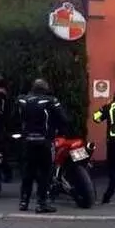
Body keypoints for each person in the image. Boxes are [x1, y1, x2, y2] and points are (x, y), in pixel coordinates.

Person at [16, 79, 69, 213]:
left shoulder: (23, 100)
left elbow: (15, 118)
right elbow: (63, 119)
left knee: (28, 172)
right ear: (45, 88)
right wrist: (59, 130)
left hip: (27, 141)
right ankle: (41, 203)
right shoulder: (51, 101)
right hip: (44, 141)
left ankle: (24, 201)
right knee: (45, 173)